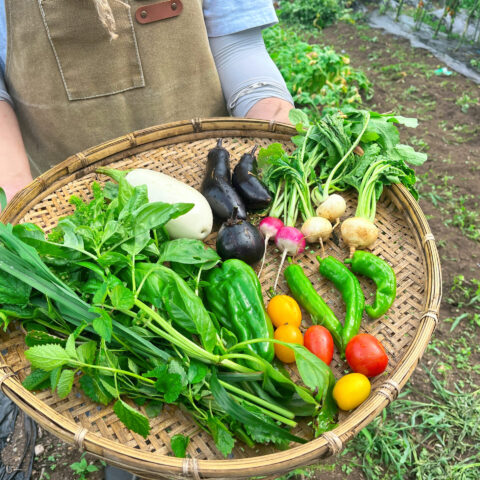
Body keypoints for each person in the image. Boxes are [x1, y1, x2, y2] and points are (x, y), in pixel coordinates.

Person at [0, 0, 294, 202]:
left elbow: (236, 45)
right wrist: (14, 191)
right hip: (66, 202)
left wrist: (272, 120)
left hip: (214, 187)